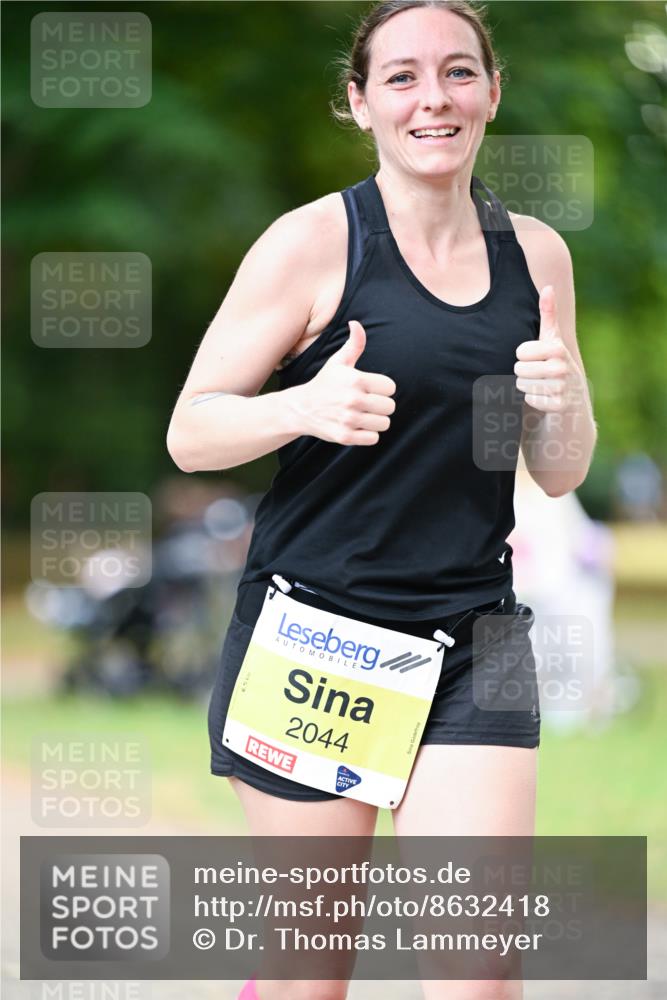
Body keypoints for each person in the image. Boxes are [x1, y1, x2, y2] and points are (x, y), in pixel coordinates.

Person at [166, 2, 597, 997]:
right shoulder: (312, 243)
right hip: (317, 641)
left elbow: (561, 466)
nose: (431, 97)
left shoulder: (536, 256)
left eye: (456, 72)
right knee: (313, 970)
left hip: (471, 638)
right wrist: (304, 405)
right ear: (359, 103)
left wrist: (562, 399)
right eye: (400, 77)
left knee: (478, 971)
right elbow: (193, 431)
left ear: (491, 92)